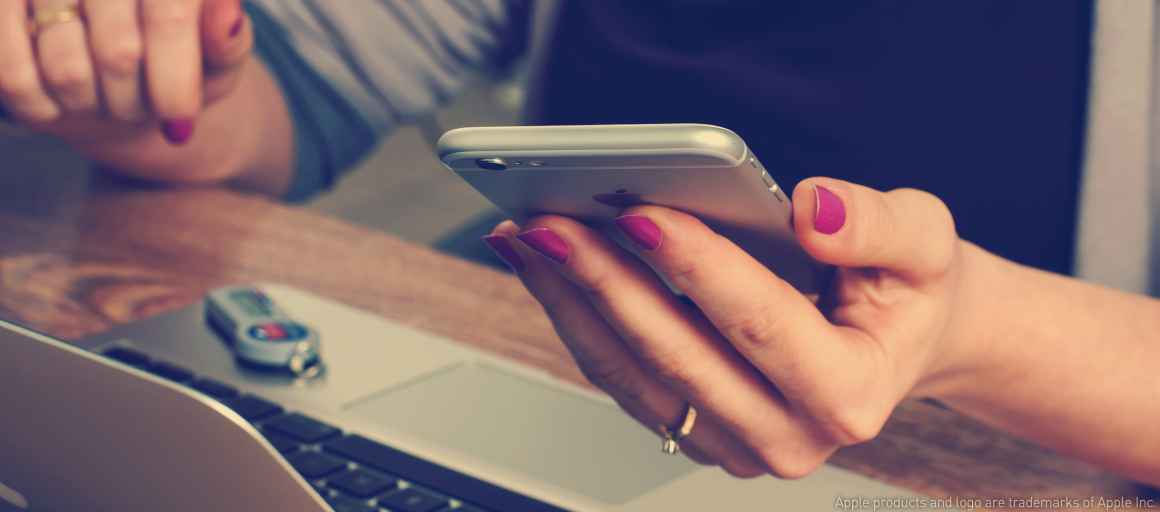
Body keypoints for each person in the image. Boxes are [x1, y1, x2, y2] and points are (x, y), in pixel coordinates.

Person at [1, 0, 1157, 486]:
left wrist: (968, 329)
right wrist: (156, 78)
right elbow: (290, 99)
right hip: (550, 386)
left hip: (1010, 464)